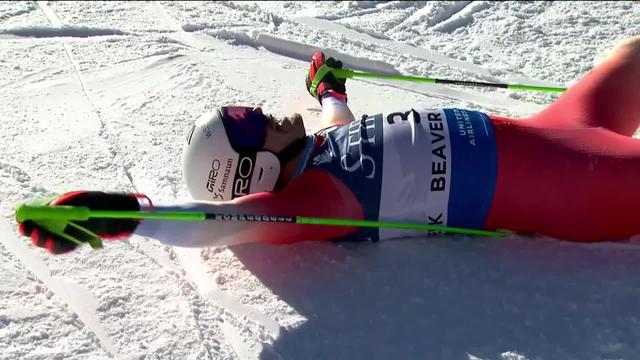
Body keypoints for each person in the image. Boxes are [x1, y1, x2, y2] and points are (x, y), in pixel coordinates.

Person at [17, 37, 640, 254]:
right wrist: (132, 217)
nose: (258, 112)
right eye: (246, 125)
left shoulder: (325, 150)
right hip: (572, 181)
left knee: (631, 56)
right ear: (252, 168)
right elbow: (216, 226)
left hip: (549, 130)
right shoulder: (320, 200)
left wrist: (328, 89)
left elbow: (337, 115)